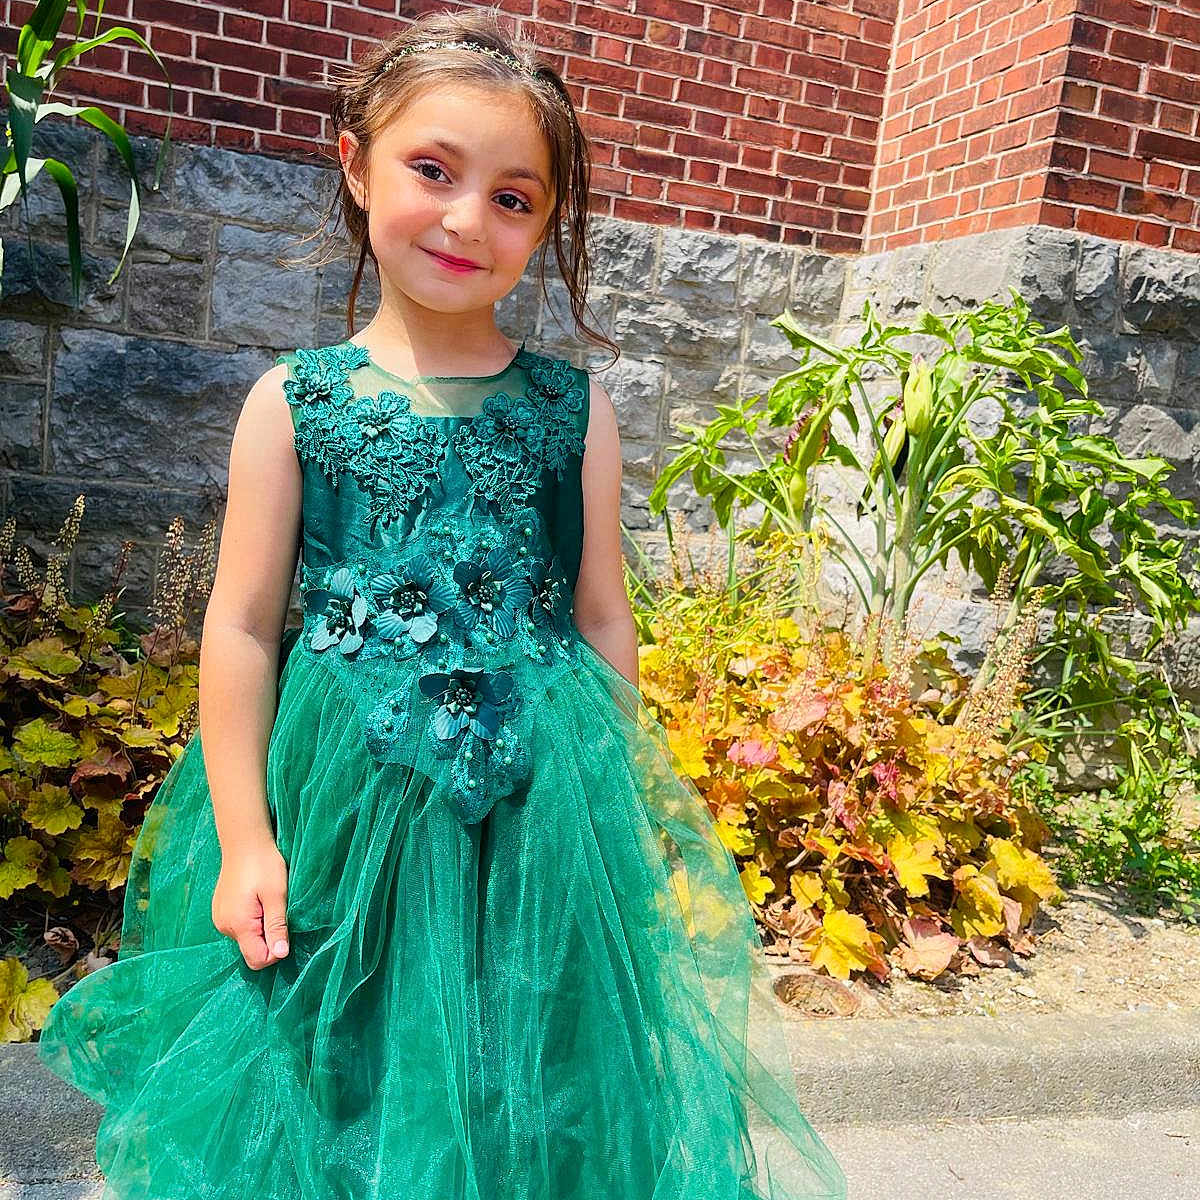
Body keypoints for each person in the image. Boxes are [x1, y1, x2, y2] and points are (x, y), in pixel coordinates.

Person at [36, 8, 848, 1199]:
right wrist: (249, 836)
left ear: (546, 225)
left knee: (527, 1060)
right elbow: (245, 623)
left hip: (537, 805)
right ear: (358, 165)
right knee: (333, 1059)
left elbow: (601, 615)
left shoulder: (574, 412)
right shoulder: (294, 402)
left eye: (515, 198)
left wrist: (618, 802)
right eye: (434, 171)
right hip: (341, 803)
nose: (470, 219)